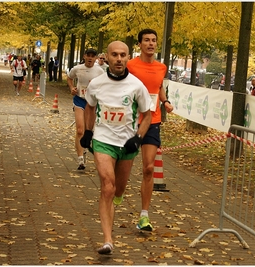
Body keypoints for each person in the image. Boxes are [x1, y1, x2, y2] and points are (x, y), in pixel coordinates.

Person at [80, 40, 152, 255]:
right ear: (107, 57)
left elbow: (147, 115)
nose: (119, 59)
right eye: (114, 55)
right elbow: (90, 107)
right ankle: (108, 240)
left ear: (128, 57)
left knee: (118, 190)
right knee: (107, 187)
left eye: (123, 55)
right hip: (103, 140)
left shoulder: (137, 85)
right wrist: (88, 132)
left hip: (127, 143)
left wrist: (138, 138)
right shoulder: (97, 84)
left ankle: (115, 199)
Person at [127, 29, 174, 231]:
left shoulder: (161, 67)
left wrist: (166, 101)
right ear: (139, 44)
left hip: (152, 120)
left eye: (154, 40)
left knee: (148, 168)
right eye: (146, 40)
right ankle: (117, 193)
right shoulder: (130, 65)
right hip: (129, 121)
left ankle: (144, 216)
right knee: (123, 167)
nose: (151, 43)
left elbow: (159, 87)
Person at [67, 48, 104, 170]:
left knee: (90, 130)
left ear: (96, 58)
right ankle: (80, 160)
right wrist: (72, 88)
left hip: (92, 103)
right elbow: (69, 77)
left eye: (93, 56)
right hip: (79, 100)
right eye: (88, 55)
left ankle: (85, 147)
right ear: (84, 56)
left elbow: (105, 84)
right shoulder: (77, 68)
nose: (90, 58)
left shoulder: (99, 71)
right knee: (79, 130)